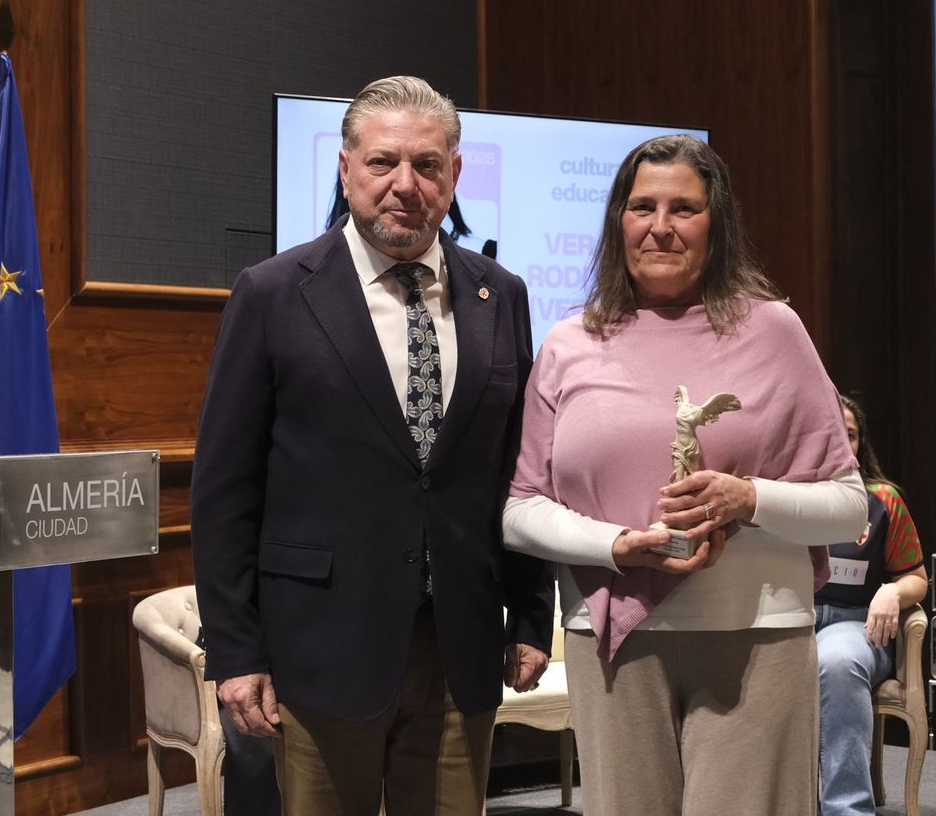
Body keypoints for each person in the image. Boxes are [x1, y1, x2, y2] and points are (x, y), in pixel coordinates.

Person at [191, 75, 555, 816]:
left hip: (459, 646)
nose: (405, 185)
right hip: (321, 647)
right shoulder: (273, 292)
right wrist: (236, 650)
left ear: (455, 173)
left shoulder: (501, 295)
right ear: (346, 167)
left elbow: (516, 468)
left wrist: (528, 614)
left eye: (427, 164)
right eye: (383, 162)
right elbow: (224, 490)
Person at [500, 133, 868, 816]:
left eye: (684, 209)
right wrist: (615, 544)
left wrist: (747, 498)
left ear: (716, 223)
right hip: (610, 640)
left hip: (756, 630)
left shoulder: (775, 330)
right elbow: (521, 508)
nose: (661, 226)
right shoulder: (569, 342)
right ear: (619, 220)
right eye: (643, 206)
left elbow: (849, 506)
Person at [815, 394, 928, 816]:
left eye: (850, 435)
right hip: (792, 620)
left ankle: (847, 810)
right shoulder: (782, 496)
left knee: (837, 662)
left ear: (861, 444)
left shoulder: (883, 498)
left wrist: (892, 592)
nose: (841, 443)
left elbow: (916, 578)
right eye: (831, 433)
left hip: (855, 626)